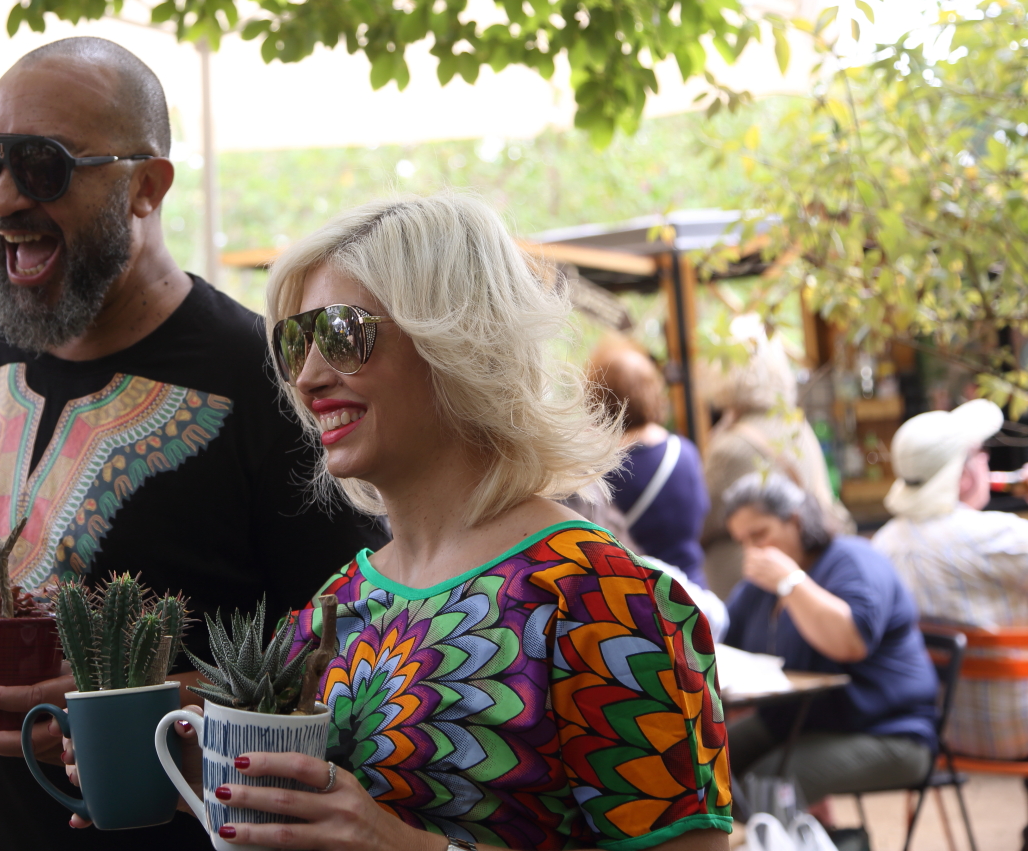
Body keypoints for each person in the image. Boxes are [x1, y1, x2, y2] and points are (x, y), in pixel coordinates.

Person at [0, 36, 383, 851]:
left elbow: (358, 648)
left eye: (43, 165)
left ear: (147, 186)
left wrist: (160, 703)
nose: (1, 199)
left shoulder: (267, 376)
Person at [180, 195, 733, 850]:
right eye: (294, 343)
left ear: (458, 339)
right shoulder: (334, 607)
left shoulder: (598, 598)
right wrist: (187, 770)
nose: (308, 377)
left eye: (342, 334)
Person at [722, 472, 938, 805]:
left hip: (888, 731)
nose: (752, 551)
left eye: (760, 535)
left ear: (795, 521)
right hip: (795, 721)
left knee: (762, 788)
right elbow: (722, 649)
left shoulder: (853, 561)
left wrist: (790, 582)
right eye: (742, 542)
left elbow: (850, 643)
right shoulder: (757, 589)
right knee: (697, 762)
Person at [872, 399, 1028, 763]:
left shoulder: (883, 544)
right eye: (982, 453)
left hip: (936, 729)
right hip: (1015, 727)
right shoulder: (998, 538)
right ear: (964, 475)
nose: (987, 460)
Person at [702, 323, 845, 598]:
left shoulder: (730, 448)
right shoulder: (797, 425)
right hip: (807, 574)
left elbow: (701, 523)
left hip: (751, 587)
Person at [588, 336, 711, 585]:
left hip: (641, 593)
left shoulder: (599, 471)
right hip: (692, 589)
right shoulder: (684, 452)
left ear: (597, 396)